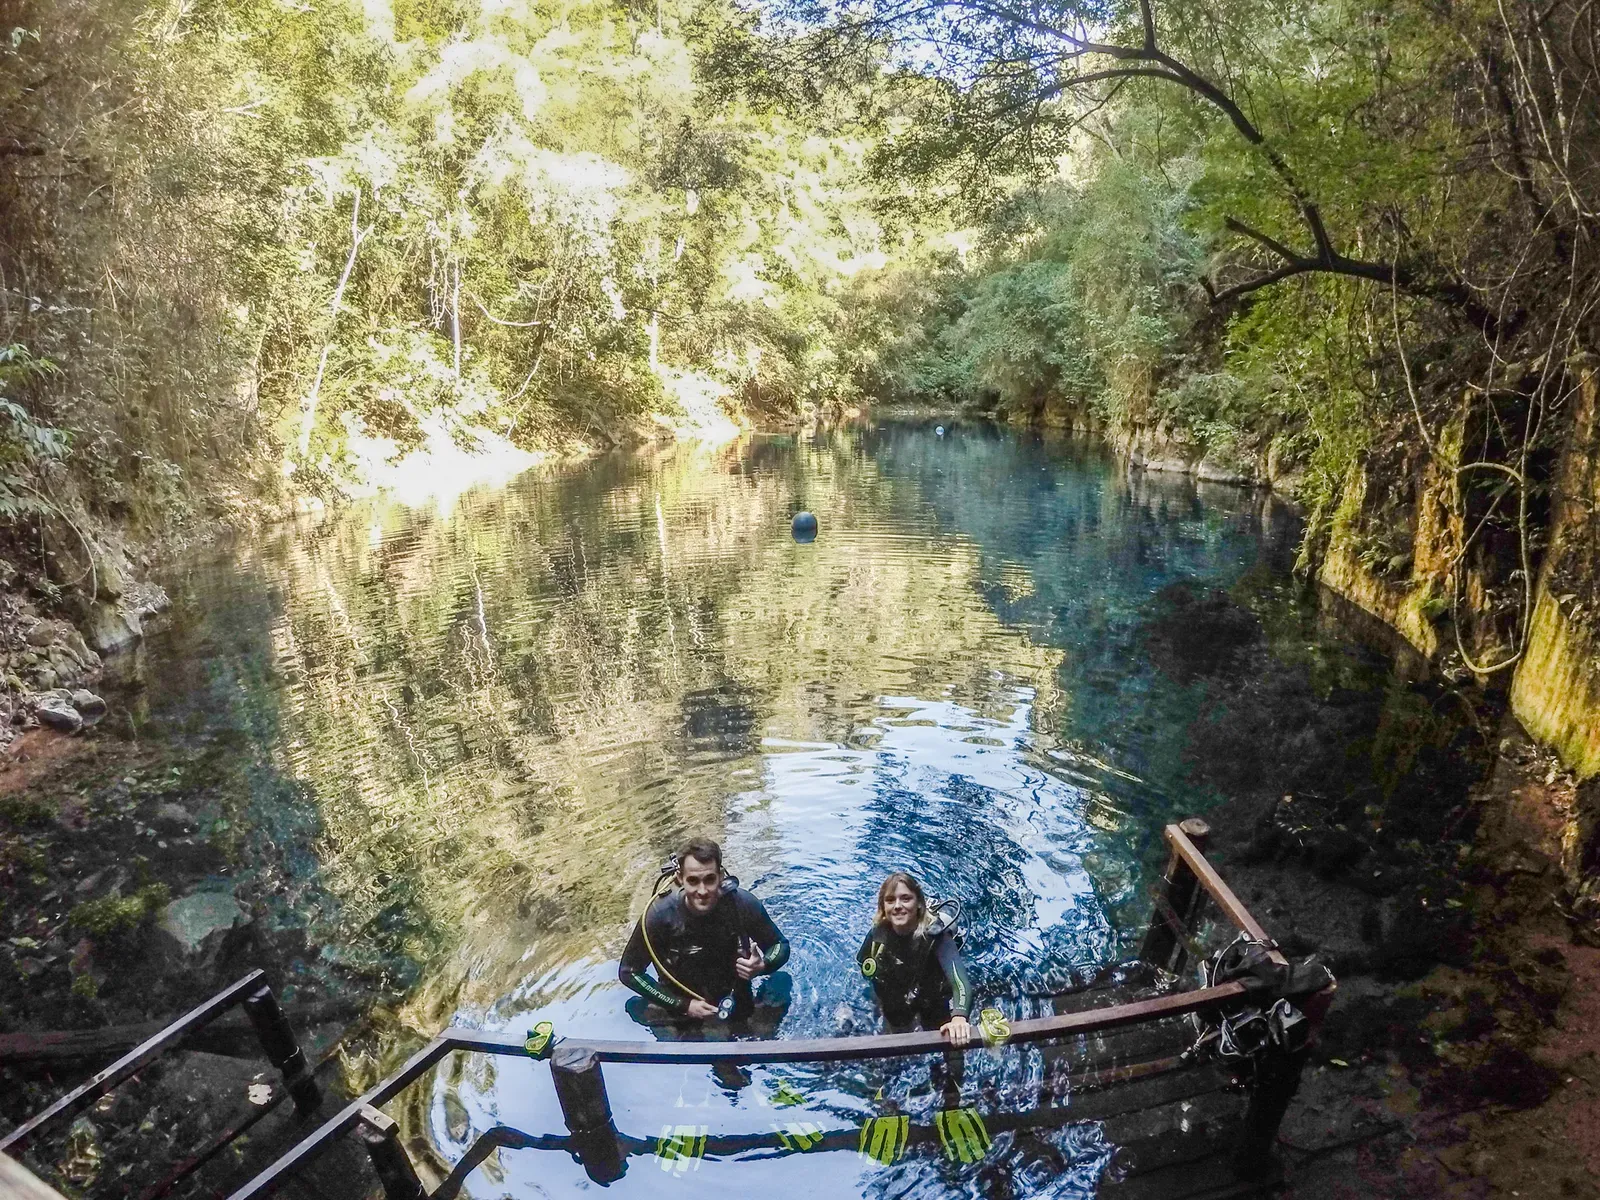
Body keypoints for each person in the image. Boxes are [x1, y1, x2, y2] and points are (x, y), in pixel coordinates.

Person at [619, 837, 791, 1026]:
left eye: (710, 879)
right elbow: (630, 972)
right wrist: (683, 1005)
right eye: (693, 881)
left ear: (721, 876)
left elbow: (779, 945)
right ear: (680, 879)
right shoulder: (659, 916)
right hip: (682, 1006)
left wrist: (762, 965)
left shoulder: (742, 904)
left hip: (735, 998)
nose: (702, 891)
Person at [858, 872, 972, 1101]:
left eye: (905, 898)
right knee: (894, 1040)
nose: (897, 906)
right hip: (896, 998)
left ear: (919, 904)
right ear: (883, 906)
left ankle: (954, 1094)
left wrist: (959, 1016)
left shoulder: (936, 937)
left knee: (945, 1036)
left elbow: (961, 983)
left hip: (932, 998)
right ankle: (886, 1099)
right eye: (890, 900)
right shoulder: (877, 934)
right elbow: (863, 965)